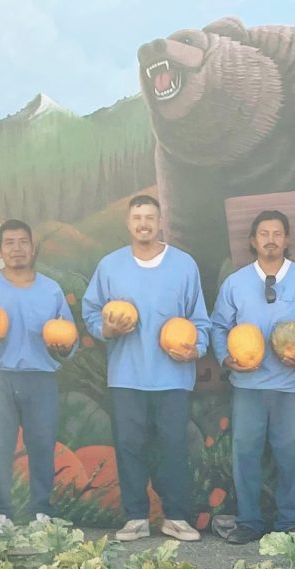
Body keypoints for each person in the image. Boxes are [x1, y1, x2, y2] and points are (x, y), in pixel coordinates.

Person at [81, 194, 210, 542]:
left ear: (160, 222)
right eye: (137, 217)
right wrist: (106, 330)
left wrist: (195, 348)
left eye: (150, 217)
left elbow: (200, 319)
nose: (143, 224)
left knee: (173, 446)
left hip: (172, 376)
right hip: (127, 376)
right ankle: (135, 517)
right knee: (129, 446)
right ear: (128, 223)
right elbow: (92, 311)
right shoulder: (110, 266)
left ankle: (176, 517)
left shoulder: (184, 265)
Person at [211, 211, 295, 544]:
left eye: (277, 233)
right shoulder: (235, 283)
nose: (271, 239)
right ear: (253, 241)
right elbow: (219, 327)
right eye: (264, 233)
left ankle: (288, 525)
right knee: (245, 452)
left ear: (287, 240)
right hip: (248, 385)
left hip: (290, 386)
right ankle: (249, 521)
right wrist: (226, 358)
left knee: (290, 454)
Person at [0, 219, 76, 530]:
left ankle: (40, 511)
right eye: (9, 242)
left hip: (40, 378)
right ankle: (1, 513)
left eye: (23, 241)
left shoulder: (51, 290)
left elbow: (67, 336)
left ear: (33, 248)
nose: (17, 248)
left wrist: (64, 348)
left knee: (42, 443)